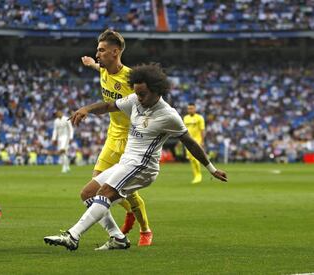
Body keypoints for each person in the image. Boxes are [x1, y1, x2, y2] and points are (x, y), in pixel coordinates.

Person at [44, 63, 227, 251]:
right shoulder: (134, 100)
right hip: (127, 161)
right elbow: (108, 105)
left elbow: (190, 142)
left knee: (105, 193)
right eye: (137, 93)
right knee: (87, 193)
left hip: (144, 166)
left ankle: (72, 236)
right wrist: (86, 109)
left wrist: (211, 169)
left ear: (156, 91)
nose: (138, 98)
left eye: (142, 94)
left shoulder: (169, 115)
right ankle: (118, 238)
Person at [81, 29, 153, 246]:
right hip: (112, 135)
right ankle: (117, 233)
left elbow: (151, 101)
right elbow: (98, 67)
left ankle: (145, 230)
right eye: (97, 50)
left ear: (115, 52)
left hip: (130, 139)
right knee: (93, 191)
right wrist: (90, 64)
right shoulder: (103, 68)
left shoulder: (131, 79)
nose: (97, 54)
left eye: (101, 51)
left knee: (126, 190)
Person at [183, 103, 206, 184]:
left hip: (197, 140)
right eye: (189, 108)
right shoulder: (185, 118)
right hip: (188, 140)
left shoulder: (199, 118)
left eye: (192, 108)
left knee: (194, 157)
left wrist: (202, 141)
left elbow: (202, 130)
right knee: (191, 158)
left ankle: (198, 175)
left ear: (195, 109)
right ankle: (196, 175)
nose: (190, 110)